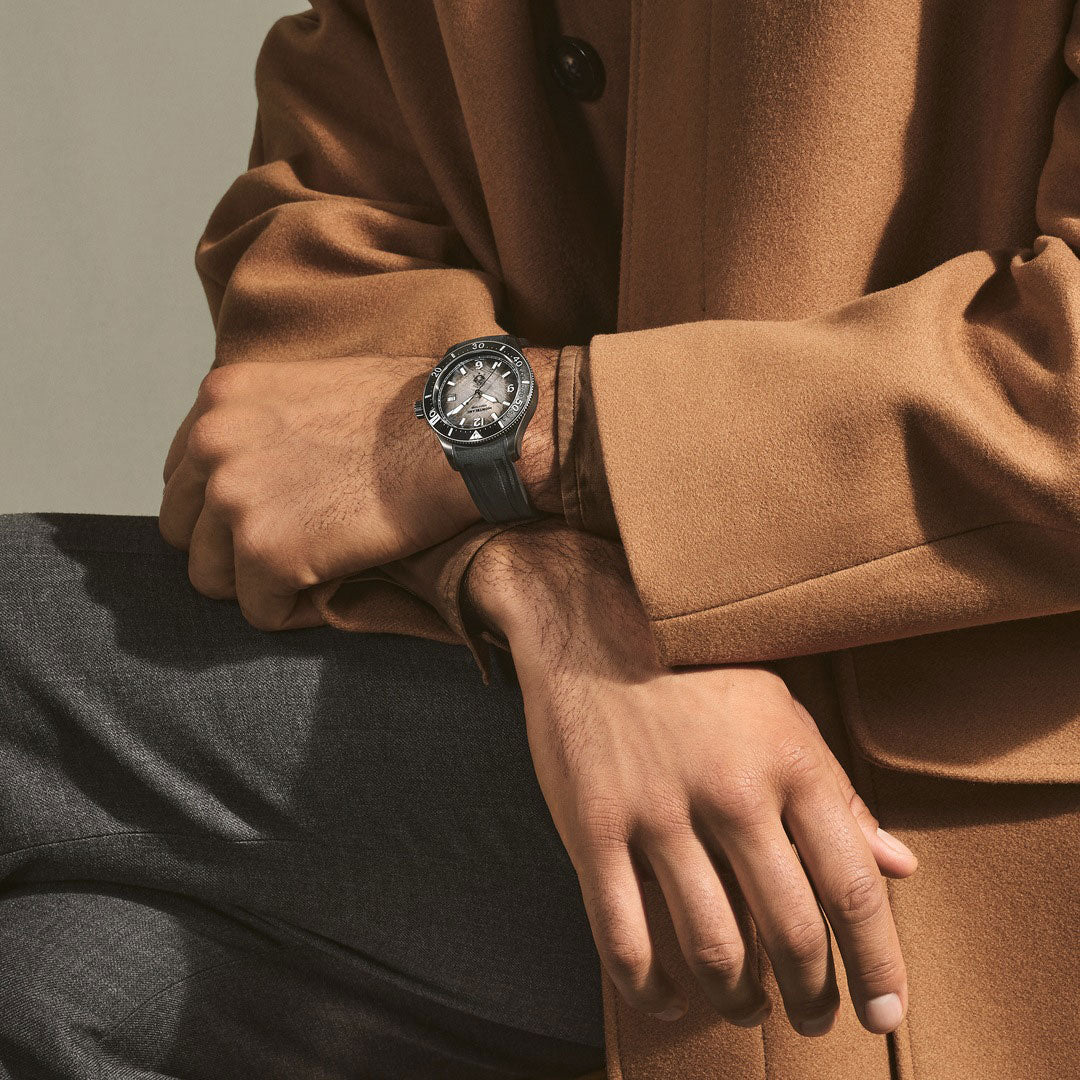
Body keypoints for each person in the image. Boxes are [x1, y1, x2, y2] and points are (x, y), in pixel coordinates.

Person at [3, 2, 1078, 1078]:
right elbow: (324, 231)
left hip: (938, 842)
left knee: (18, 637)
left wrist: (521, 432)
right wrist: (555, 598)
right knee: (71, 977)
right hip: (606, 788)